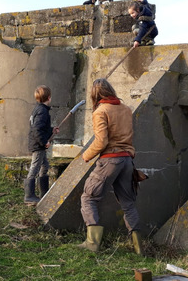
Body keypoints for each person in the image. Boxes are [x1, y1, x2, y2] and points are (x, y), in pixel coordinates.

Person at [78, 78, 142, 255]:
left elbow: (101, 141)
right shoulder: (126, 109)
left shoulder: (100, 111)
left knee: (88, 197)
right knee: (128, 203)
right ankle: (139, 247)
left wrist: (86, 155)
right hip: (128, 161)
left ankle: (92, 243)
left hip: (110, 161)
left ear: (95, 94)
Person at [25, 85, 59, 205]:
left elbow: (40, 128)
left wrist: (51, 130)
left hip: (37, 143)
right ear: (49, 97)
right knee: (35, 168)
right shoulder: (42, 111)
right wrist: (44, 142)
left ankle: (43, 193)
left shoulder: (37, 109)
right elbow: (37, 130)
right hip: (38, 145)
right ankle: (29, 196)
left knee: (44, 166)